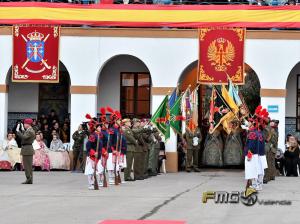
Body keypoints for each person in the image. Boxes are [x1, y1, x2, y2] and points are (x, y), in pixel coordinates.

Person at [16, 119, 36, 184]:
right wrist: (22, 129)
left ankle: (29, 179)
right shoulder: (29, 130)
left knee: (27, 166)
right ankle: (30, 179)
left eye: (24, 123)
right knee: (28, 166)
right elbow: (26, 135)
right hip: (27, 149)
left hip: (27, 149)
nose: (24, 124)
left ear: (28, 124)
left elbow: (24, 137)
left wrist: (18, 131)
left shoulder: (30, 131)